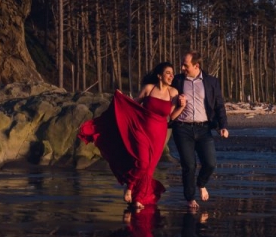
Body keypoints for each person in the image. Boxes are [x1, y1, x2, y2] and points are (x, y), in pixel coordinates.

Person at [78, 62, 186, 209]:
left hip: (159, 134)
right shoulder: (149, 88)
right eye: (168, 73)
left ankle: (139, 199)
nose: (171, 76)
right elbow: (134, 104)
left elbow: (172, 117)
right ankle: (129, 187)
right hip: (141, 130)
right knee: (142, 163)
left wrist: (181, 106)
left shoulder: (173, 93)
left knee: (149, 168)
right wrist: (122, 99)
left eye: (172, 73)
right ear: (159, 76)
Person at [171, 51, 228, 210]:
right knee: (189, 165)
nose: (182, 67)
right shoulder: (177, 80)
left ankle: (201, 184)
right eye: (182, 64)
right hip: (182, 128)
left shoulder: (211, 82)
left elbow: (219, 105)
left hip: (204, 128)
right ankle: (189, 198)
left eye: (185, 65)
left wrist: (223, 126)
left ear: (196, 66)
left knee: (210, 163)